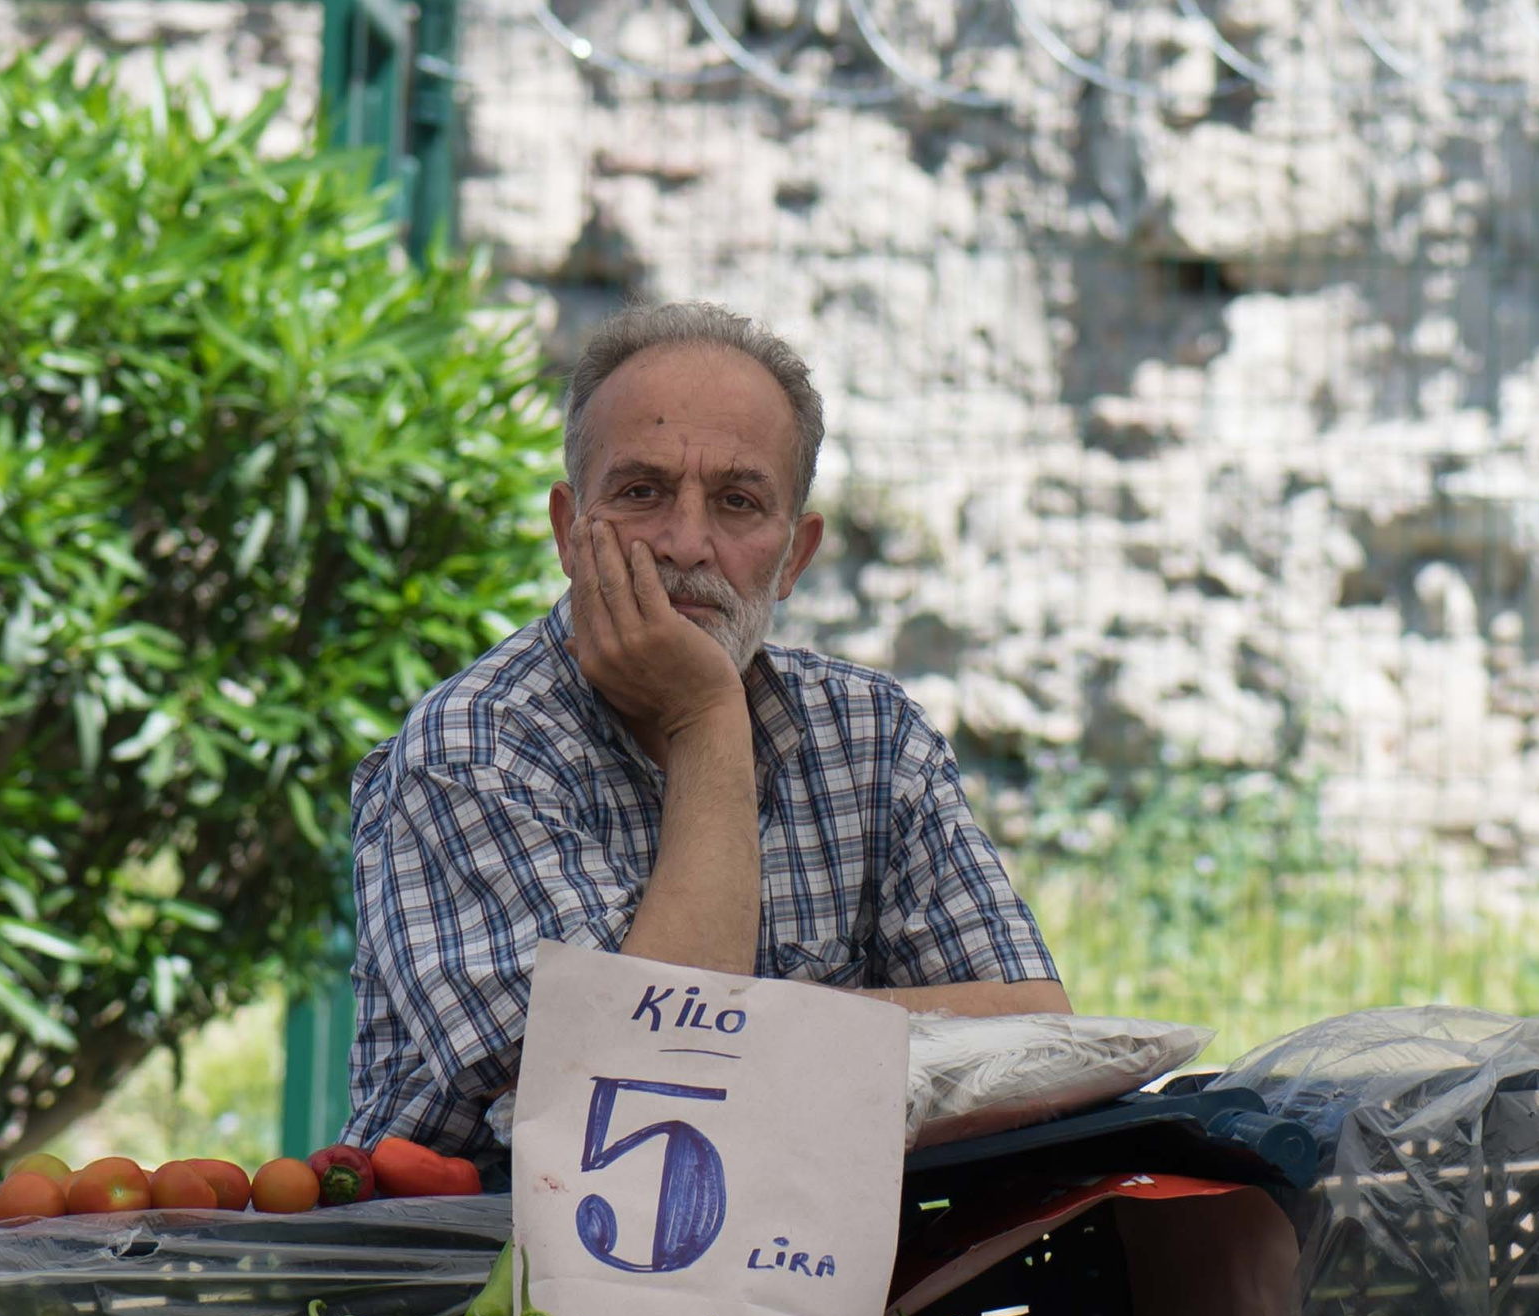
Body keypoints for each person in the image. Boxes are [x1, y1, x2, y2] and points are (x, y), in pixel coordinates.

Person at [343, 300, 1067, 1170]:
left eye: (737, 502)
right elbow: (642, 1092)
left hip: (808, 1243)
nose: (686, 543)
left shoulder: (874, 737)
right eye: (642, 492)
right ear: (571, 531)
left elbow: (1038, 1030)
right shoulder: (473, 746)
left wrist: (753, 1030)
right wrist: (706, 714)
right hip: (493, 1270)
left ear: (793, 557)